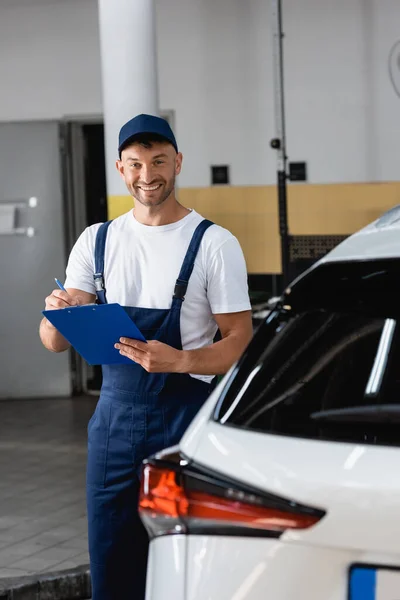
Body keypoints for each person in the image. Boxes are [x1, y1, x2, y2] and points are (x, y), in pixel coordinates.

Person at [39, 114, 252, 599]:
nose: (147, 174)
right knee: (112, 556)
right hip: (114, 424)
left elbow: (241, 342)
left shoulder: (214, 244)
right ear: (120, 167)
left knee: (189, 557)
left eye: (158, 161)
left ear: (177, 162)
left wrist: (180, 361)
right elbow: (53, 342)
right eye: (135, 163)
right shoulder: (96, 241)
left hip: (186, 423)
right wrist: (55, 314)